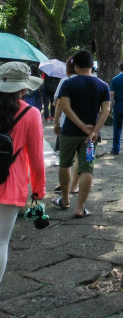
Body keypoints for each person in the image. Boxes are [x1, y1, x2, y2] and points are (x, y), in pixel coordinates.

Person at [0, 62, 46, 284]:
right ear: (23, 88)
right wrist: (38, 193)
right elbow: (37, 159)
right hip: (10, 185)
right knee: (1, 242)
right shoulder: (31, 113)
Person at [52, 50, 111, 218]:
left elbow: (65, 107)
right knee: (87, 169)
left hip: (69, 132)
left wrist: (77, 126)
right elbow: (106, 110)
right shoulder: (102, 85)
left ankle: (65, 199)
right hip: (90, 138)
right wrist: (93, 131)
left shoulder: (68, 84)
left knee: (65, 164)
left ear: (76, 66)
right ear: (92, 66)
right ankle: (80, 207)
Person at [52, 57, 79, 195]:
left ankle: (64, 187)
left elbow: (59, 104)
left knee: (65, 159)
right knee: (79, 158)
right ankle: (74, 186)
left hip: (66, 124)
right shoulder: (92, 81)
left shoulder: (65, 81)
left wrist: (56, 122)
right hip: (86, 125)